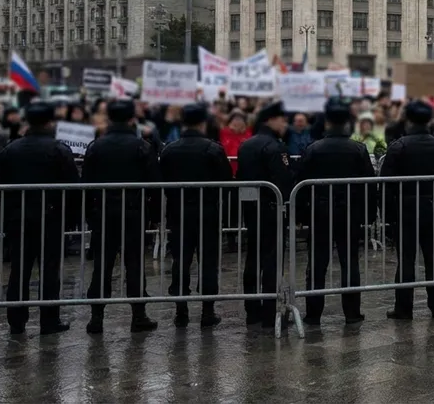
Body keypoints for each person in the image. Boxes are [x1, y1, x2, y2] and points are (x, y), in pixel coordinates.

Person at [0, 101, 78, 336]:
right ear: (50, 122)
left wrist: (4, 218)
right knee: (49, 270)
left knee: (19, 269)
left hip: (18, 218)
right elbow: (72, 187)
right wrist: (70, 218)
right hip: (50, 217)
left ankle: (16, 321)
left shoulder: (11, 149)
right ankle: (49, 320)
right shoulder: (59, 150)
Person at [82, 98, 161, 334]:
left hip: (103, 211)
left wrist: (89, 213)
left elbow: (86, 183)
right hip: (133, 211)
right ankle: (138, 315)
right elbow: (154, 183)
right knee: (134, 264)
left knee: (102, 264)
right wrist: (155, 214)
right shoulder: (142, 146)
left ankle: (96, 317)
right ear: (131, 119)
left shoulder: (96, 146)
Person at [295, 99, 377, 326]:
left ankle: (313, 313)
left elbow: (300, 184)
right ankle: (352, 312)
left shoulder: (313, 149)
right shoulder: (358, 149)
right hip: (349, 212)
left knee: (317, 263)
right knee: (350, 262)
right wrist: (369, 214)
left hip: (320, 212)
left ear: (327, 122)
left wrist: (300, 215)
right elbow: (369, 184)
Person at [378, 100, 434, 319]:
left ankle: (404, 307)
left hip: (405, 208)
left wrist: (388, 214)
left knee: (406, 260)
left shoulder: (398, 146)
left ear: (409, 120)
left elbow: (386, 184)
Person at [158, 103, 233, 328]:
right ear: (203, 123)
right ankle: (207, 312)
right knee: (208, 260)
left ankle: (181, 310)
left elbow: (162, 179)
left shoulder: (169, 150)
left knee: (180, 259)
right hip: (207, 210)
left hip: (178, 210)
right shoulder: (213, 149)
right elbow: (226, 181)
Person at [236, 101, 292, 328]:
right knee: (272, 260)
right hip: (272, 208)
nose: (285, 124)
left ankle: (252, 310)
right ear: (271, 120)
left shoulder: (246, 145)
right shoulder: (275, 147)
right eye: (282, 120)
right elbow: (284, 180)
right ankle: (270, 312)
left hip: (251, 207)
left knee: (253, 258)